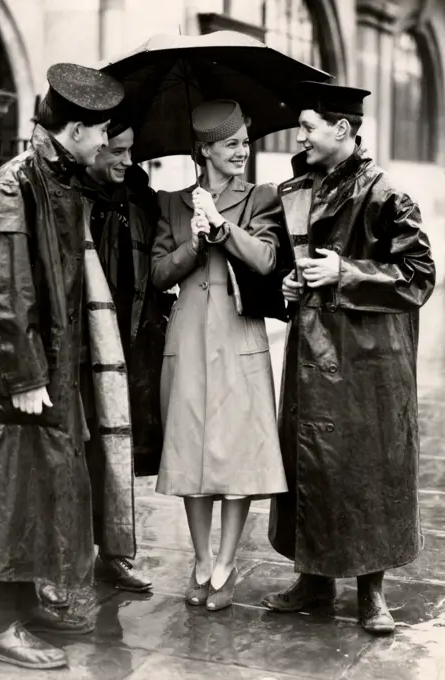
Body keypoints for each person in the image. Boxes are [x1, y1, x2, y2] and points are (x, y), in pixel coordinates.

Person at [0, 63, 130, 670]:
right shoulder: (16, 185)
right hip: (20, 377)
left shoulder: (54, 177)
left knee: (38, 489)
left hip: (45, 370)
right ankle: (0, 625)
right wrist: (26, 377)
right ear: (78, 130)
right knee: (14, 490)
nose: (108, 142)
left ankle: (23, 604)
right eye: (103, 131)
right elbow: (5, 291)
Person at [263, 81, 435, 635]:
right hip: (311, 355)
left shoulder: (386, 195)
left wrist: (347, 273)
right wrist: (291, 287)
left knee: (367, 470)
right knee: (311, 467)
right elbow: (291, 264)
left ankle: (371, 591)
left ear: (343, 129)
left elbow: (419, 277)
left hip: (369, 364)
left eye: (309, 126)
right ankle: (312, 579)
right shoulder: (296, 187)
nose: (300, 136)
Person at [151, 99, 289, 612]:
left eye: (244, 143)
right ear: (203, 150)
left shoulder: (262, 198)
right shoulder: (172, 203)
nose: (241, 152)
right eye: (230, 144)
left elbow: (268, 258)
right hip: (187, 340)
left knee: (239, 453)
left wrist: (225, 229)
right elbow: (159, 274)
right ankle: (202, 560)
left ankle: (228, 563)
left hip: (240, 338)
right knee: (191, 451)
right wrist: (192, 240)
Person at [38, 119, 173, 607]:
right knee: (69, 456)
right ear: (91, 147)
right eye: (116, 150)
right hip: (74, 351)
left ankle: (111, 556)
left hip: (125, 347)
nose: (125, 161)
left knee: (115, 454)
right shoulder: (64, 198)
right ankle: (58, 565)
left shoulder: (141, 202)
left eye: (130, 151)